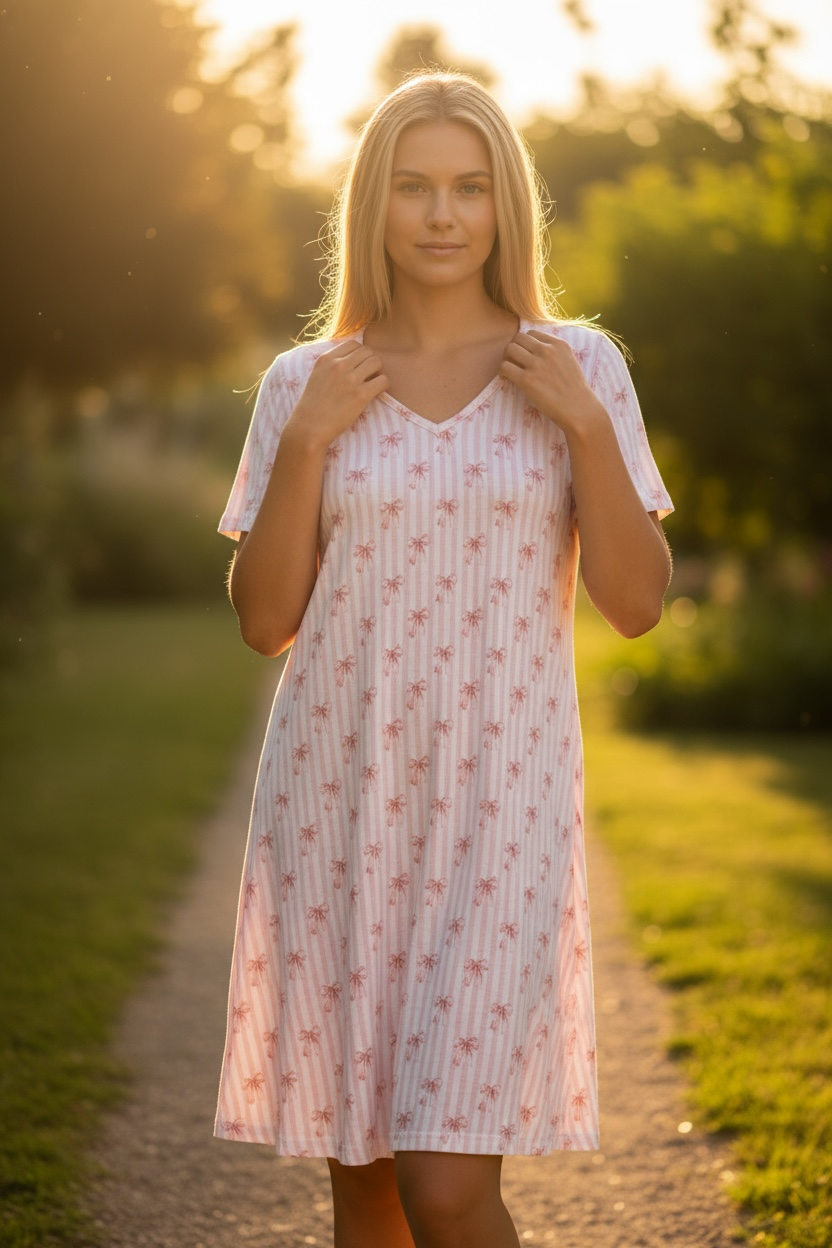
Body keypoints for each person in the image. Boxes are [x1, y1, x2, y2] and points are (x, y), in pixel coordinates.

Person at [214, 71, 673, 1248]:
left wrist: (579, 424)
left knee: (447, 1185)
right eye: (412, 187)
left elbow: (633, 604)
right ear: (373, 205)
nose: (440, 214)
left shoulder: (578, 367)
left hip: (502, 810)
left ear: (504, 206)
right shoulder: (300, 386)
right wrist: (310, 443)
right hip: (337, 806)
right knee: (362, 1177)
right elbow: (267, 620)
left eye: (469, 188)